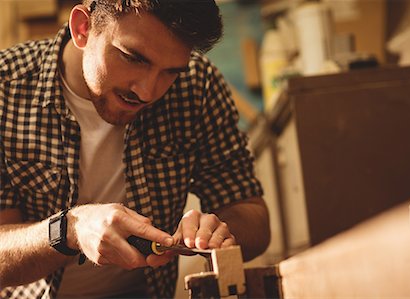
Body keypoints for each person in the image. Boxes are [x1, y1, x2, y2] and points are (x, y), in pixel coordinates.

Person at [0, 0, 270, 298]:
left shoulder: (197, 85)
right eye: (133, 58)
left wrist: (220, 231)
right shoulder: (5, 89)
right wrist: (69, 231)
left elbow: (252, 215)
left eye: (170, 72)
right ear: (83, 28)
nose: (147, 91)